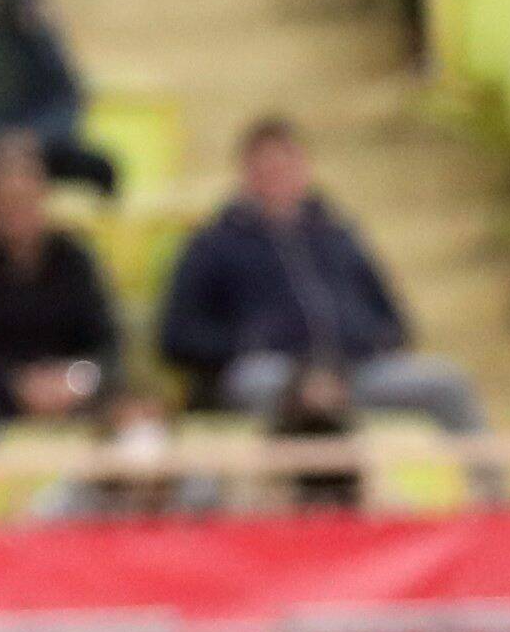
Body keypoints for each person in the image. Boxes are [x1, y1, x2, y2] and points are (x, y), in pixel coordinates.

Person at [155, 117, 488, 434]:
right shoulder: (213, 244)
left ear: (304, 168)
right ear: (245, 174)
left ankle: (488, 492)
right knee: (259, 383)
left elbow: (393, 321)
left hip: (354, 372)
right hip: (273, 374)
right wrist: (255, 347)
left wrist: (347, 360)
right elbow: (179, 336)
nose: (276, 177)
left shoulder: (339, 236)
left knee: (448, 384)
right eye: (265, 169)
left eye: (285, 166)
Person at [0, 131, 115, 430]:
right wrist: (16, 383)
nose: (16, 213)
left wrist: (73, 379)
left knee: (125, 406)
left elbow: (107, 346)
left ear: (43, 200)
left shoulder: (73, 260)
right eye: (6, 202)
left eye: (24, 201)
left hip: (68, 388)